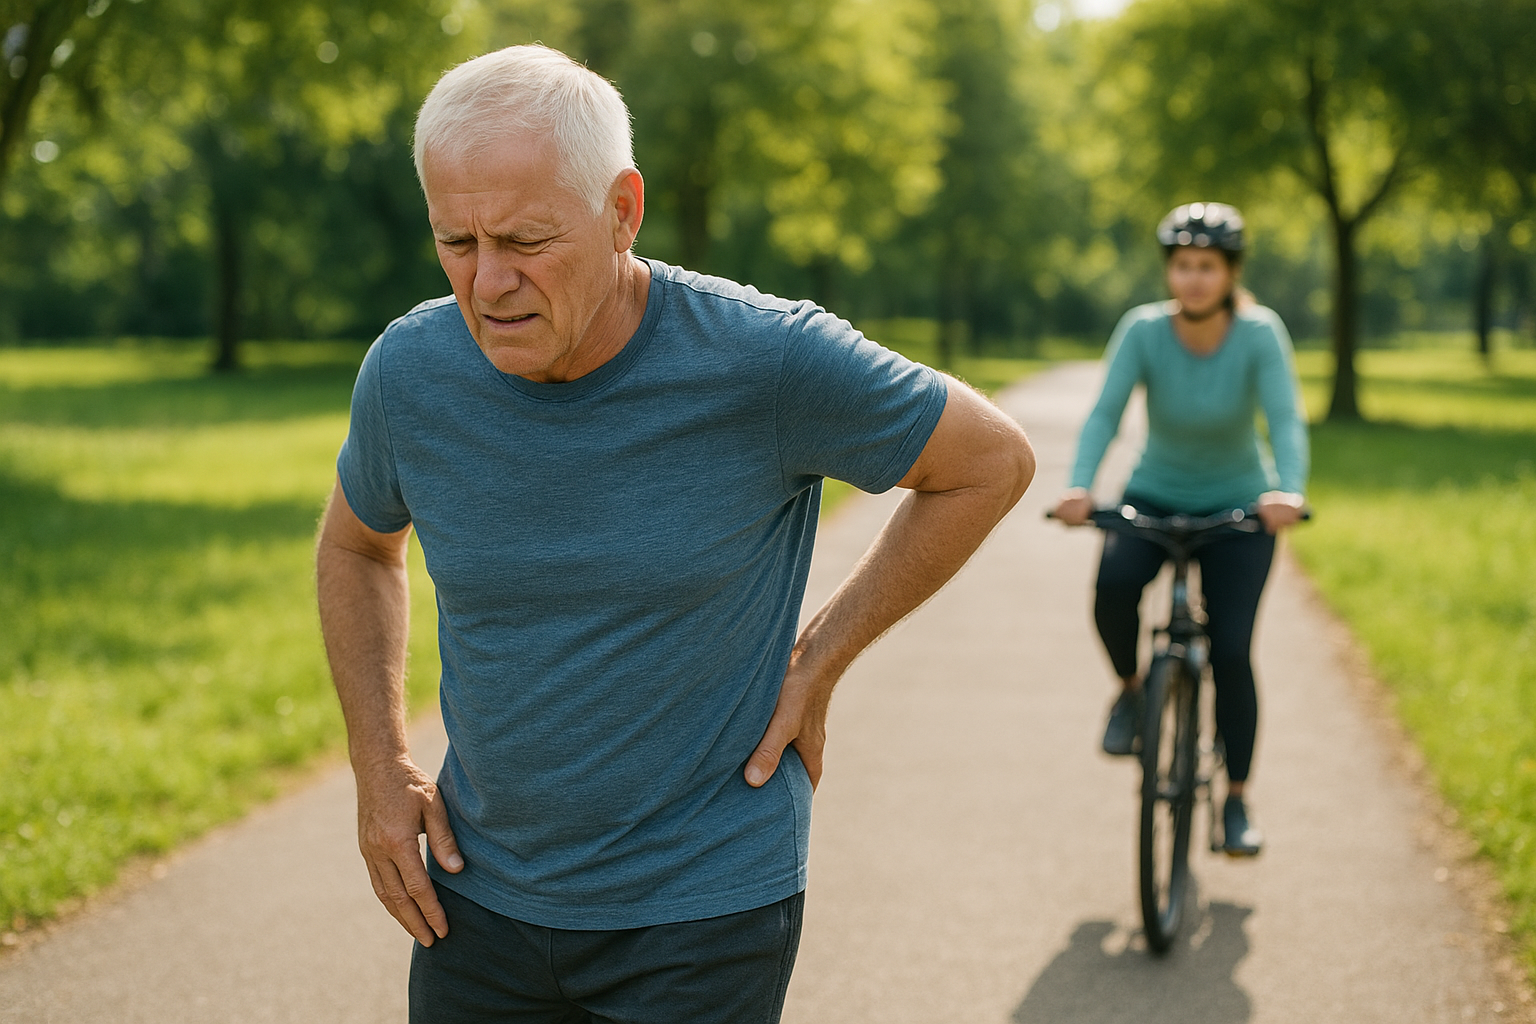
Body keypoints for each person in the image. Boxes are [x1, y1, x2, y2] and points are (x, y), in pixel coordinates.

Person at [314, 44, 1035, 1024]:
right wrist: (379, 765)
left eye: (526, 240)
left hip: (703, 911)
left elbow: (990, 463)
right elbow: (358, 545)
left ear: (622, 210)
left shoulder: (767, 360)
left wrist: (820, 655)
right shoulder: (411, 371)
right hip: (476, 903)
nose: (488, 283)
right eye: (457, 241)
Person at [1051, 202, 1308, 857]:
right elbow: (1106, 413)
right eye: (1184, 265)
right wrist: (1080, 486)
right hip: (1155, 495)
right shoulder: (1143, 330)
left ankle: (1237, 801)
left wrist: (1289, 491)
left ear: (1231, 273)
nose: (1194, 278)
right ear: (1169, 270)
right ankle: (1132, 692)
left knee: (1231, 652)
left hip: (1239, 507)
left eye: (1208, 266)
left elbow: (1285, 418)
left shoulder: (1259, 334)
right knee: (1113, 588)